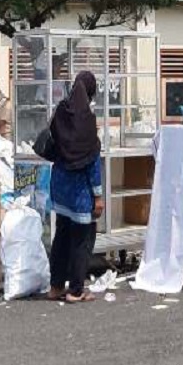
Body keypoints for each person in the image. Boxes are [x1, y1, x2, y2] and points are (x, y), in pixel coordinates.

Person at [47, 71, 104, 303]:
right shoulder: (87, 122)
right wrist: (98, 196)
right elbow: (92, 163)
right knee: (82, 239)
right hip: (80, 192)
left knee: (61, 236)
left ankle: (56, 286)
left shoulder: (61, 112)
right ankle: (77, 290)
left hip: (60, 187)